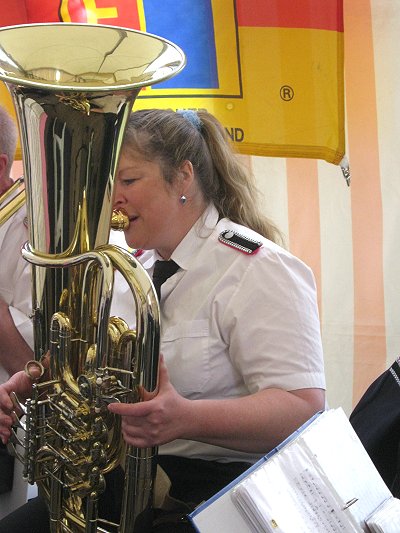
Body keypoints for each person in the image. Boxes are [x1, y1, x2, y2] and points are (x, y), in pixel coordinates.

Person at [0, 108, 326, 531]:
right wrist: (43, 375)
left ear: (184, 177)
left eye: (129, 181)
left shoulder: (258, 268)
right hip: (129, 478)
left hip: (214, 495)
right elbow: (109, 365)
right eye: (110, 182)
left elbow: (304, 407)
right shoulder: (137, 266)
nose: (113, 196)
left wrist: (185, 418)